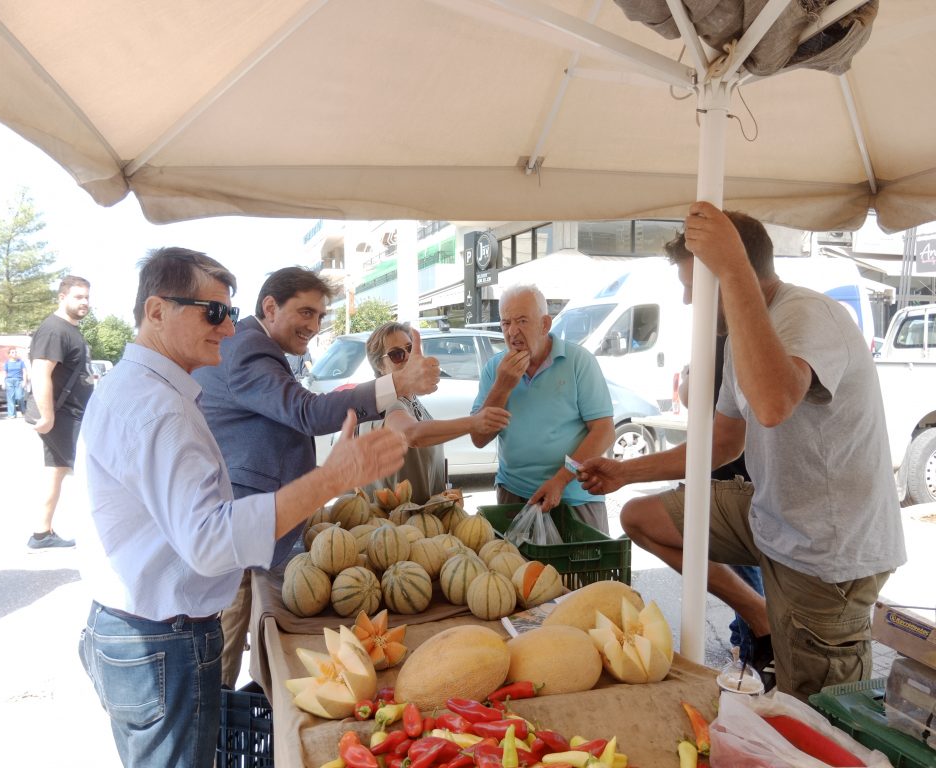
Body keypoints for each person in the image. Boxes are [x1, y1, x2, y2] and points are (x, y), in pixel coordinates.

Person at [76, 248, 407, 768]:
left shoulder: (140, 387)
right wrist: (334, 477)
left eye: (229, 315)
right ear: (157, 311)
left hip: (138, 629)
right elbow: (209, 543)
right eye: (214, 313)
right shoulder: (157, 408)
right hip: (161, 638)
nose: (228, 330)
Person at [578, 203, 907, 701]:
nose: (688, 301)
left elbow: (774, 403)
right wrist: (625, 471)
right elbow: (724, 441)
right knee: (643, 518)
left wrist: (732, 270)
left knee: (815, 713)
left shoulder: (806, 313)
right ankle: (758, 614)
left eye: (696, 286)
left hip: (826, 549)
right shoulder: (740, 339)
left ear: (736, 273)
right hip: (772, 512)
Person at [192, 266, 440, 688]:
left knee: (242, 623)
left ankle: (229, 708)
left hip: (257, 517)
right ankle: (217, 724)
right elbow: (306, 412)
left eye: (321, 316)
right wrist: (393, 384)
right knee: (228, 633)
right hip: (246, 517)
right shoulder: (249, 348)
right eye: (305, 312)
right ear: (270, 307)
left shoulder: (257, 345)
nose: (314, 324)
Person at [470, 284, 615, 530]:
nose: (512, 332)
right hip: (514, 495)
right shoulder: (494, 369)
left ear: (545, 325)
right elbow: (479, 437)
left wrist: (561, 480)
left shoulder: (578, 361)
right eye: (505, 323)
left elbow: (604, 431)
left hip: (576, 497)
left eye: (522, 321)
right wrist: (503, 385)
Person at [360, 321, 511, 504]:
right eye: (397, 355)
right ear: (380, 367)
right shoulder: (388, 403)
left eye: (410, 348)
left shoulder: (410, 399)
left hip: (419, 521)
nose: (408, 357)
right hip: (400, 525)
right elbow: (412, 434)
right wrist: (473, 423)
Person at [28, 275, 93, 550]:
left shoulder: (69, 329)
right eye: (78, 297)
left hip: (67, 414)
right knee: (93, 474)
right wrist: (47, 417)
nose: (85, 302)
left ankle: (41, 534)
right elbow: (40, 372)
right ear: (62, 297)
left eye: (87, 297)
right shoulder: (54, 329)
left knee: (55, 472)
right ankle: (99, 540)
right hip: (63, 416)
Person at [3, 347, 29, 418]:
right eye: (12, 352)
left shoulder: (20, 362)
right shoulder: (7, 363)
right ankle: (12, 414)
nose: (14, 353)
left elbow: (24, 372)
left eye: (15, 352)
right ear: (9, 354)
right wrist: (3, 382)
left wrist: (25, 381)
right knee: (10, 398)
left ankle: (23, 411)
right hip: (9, 381)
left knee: (20, 397)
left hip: (19, 381)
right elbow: (5, 373)